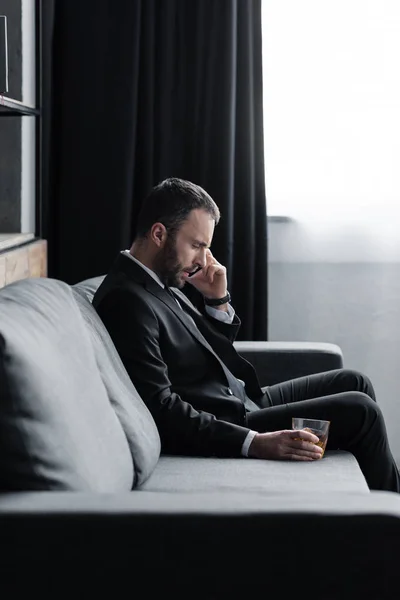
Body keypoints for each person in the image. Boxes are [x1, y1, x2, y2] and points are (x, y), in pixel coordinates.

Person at [93, 177, 400, 493]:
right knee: (362, 412)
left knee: (356, 382)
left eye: (206, 247)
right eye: (197, 245)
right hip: (231, 421)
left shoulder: (159, 280)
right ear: (159, 233)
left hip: (244, 399)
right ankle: (390, 518)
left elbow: (205, 353)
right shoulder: (127, 300)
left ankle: (373, 507)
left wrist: (216, 300)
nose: (203, 260)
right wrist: (255, 443)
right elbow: (162, 407)